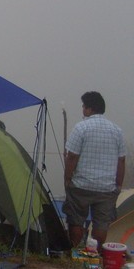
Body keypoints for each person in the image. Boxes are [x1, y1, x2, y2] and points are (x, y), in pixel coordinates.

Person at [63, 91, 126, 247]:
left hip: (81, 185)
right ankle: (95, 253)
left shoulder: (81, 128)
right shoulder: (117, 131)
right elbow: (121, 160)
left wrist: (68, 178)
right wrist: (118, 184)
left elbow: (72, 156)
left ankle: (75, 250)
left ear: (90, 109)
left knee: (76, 219)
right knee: (101, 223)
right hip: (106, 188)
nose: (82, 109)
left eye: (84, 106)